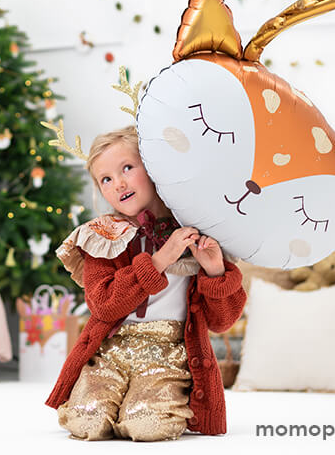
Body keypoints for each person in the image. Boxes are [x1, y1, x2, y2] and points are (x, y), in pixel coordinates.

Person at [47, 125, 246, 441]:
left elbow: (222, 322)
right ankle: (112, 403)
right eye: (106, 179)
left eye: (127, 168)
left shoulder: (193, 231)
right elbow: (104, 304)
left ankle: (138, 406)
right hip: (111, 351)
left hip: (168, 353)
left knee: (146, 425)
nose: (119, 183)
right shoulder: (103, 236)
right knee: (85, 422)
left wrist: (214, 271)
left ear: (153, 167)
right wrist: (158, 261)